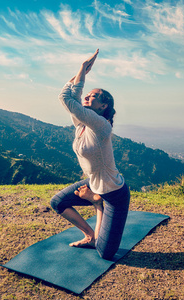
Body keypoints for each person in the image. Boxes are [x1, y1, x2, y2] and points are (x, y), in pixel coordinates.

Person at [50, 49, 130, 260]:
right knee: (57, 203)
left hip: (113, 194)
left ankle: (97, 203)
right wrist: (82, 73)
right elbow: (73, 97)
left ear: (103, 106)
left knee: (105, 253)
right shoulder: (82, 124)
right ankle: (89, 235)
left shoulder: (101, 125)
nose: (87, 96)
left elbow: (65, 98)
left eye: (93, 96)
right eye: (88, 94)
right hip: (94, 182)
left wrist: (82, 68)